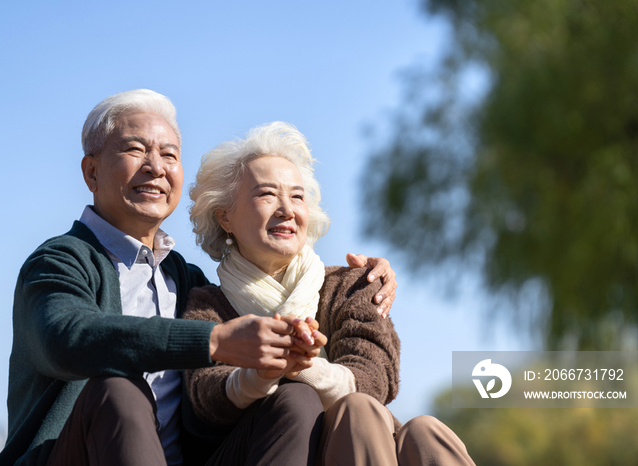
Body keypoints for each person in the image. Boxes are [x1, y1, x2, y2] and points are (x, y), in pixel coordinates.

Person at [0, 89, 399, 466]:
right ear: (92, 171)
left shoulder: (187, 282)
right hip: (74, 455)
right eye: (136, 149)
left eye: (169, 155)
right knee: (120, 390)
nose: (155, 167)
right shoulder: (59, 261)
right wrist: (214, 342)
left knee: (294, 402)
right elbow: (66, 338)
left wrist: (369, 274)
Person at [183, 122, 476, 465]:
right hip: (261, 449)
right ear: (225, 216)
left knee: (425, 432)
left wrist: (303, 366)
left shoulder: (350, 285)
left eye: (296, 196)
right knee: (356, 410)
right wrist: (261, 372)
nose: (286, 209)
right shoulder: (207, 306)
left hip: (361, 436)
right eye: (266, 194)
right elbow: (206, 393)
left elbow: (374, 376)